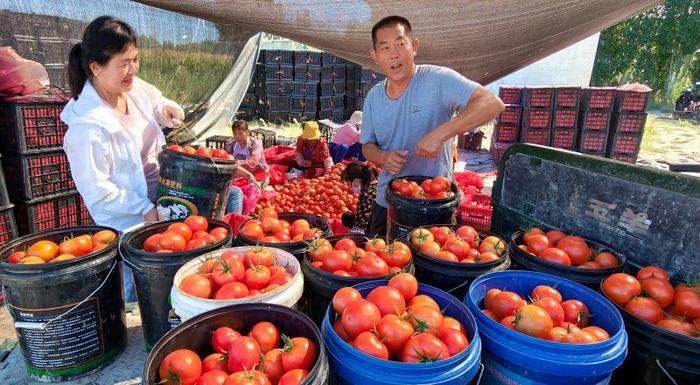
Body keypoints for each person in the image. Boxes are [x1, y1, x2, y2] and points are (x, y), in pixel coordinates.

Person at [61, 16, 185, 303]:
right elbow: (98, 192)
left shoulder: (133, 88)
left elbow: (156, 100)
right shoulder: (86, 127)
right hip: (131, 221)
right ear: (96, 67)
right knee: (142, 291)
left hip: (161, 201)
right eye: (124, 63)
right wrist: (143, 210)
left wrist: (166, 109)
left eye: (136, 59)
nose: (133, 70)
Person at [360, 16, 505, 237]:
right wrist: (383, 157)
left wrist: (441, 133)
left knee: (433, 267)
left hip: (435, 201)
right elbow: (367, 145)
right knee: (383, 264)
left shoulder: (438, 80)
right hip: (388, 201)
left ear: (414, 46)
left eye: (401, 44)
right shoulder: (373, 97)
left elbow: (492, 103)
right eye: (385, 47)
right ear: (375, 56)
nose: (394, 53)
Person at [224, 120, 268, 214]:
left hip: (257, 173)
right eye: (235, 134)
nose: (238, 137)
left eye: (240, 133)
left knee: (253, 190)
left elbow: (252, 163)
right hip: (238, 173)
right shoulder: (231, 145)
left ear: (247, 132)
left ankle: (244, 212)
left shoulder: (256, 144)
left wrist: (234, 163)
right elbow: (226, 159)